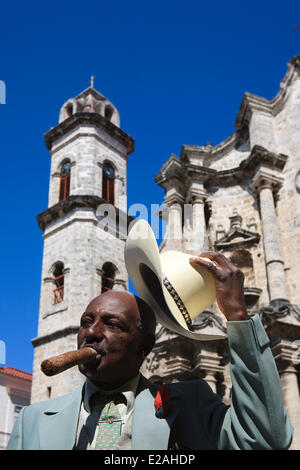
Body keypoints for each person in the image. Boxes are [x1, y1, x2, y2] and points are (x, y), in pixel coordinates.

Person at [7, 252, 293, 450]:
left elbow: (267, 438)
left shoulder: (191, 405)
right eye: (85, 322)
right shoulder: (33, 419)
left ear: (144, 346)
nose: (91, 333)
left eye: (112, 323)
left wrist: (238, 316)